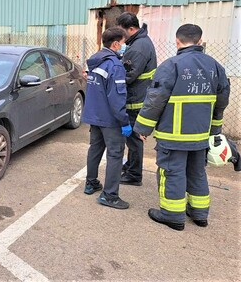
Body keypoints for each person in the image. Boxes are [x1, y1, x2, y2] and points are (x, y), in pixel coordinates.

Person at [134, 24, 230, 230]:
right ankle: (199, 214)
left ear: (177, 42)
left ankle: (172, 215)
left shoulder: (171, 66)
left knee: (172, 171)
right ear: (200, 41)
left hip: (173, 135)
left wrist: (143, 128)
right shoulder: (215, 67)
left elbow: (155, 99)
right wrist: (215, 130)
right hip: (200, 135)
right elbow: (222, 101)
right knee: (197, 172)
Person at [82, 27, 132, 210]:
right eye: (123, 44)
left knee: (95, 149)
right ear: (116, 43)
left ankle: (91, 183)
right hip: (110, 119)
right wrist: (124, 121)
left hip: (94, 115)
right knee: (115, 154)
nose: (124, 47)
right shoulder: (114, 66)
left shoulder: (95, 61)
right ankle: (110, 195)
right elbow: (117, 97)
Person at [116, 12, 157, 186]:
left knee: (134, 138)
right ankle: (132, 166)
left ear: (131, 29)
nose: (121, 36)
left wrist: (113, 78)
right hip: (138, 96)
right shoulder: (139, 43)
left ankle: (134, 174)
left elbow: (128, 75)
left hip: (136, 99)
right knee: (133, 138)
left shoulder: (139, 47)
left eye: (122, 32)